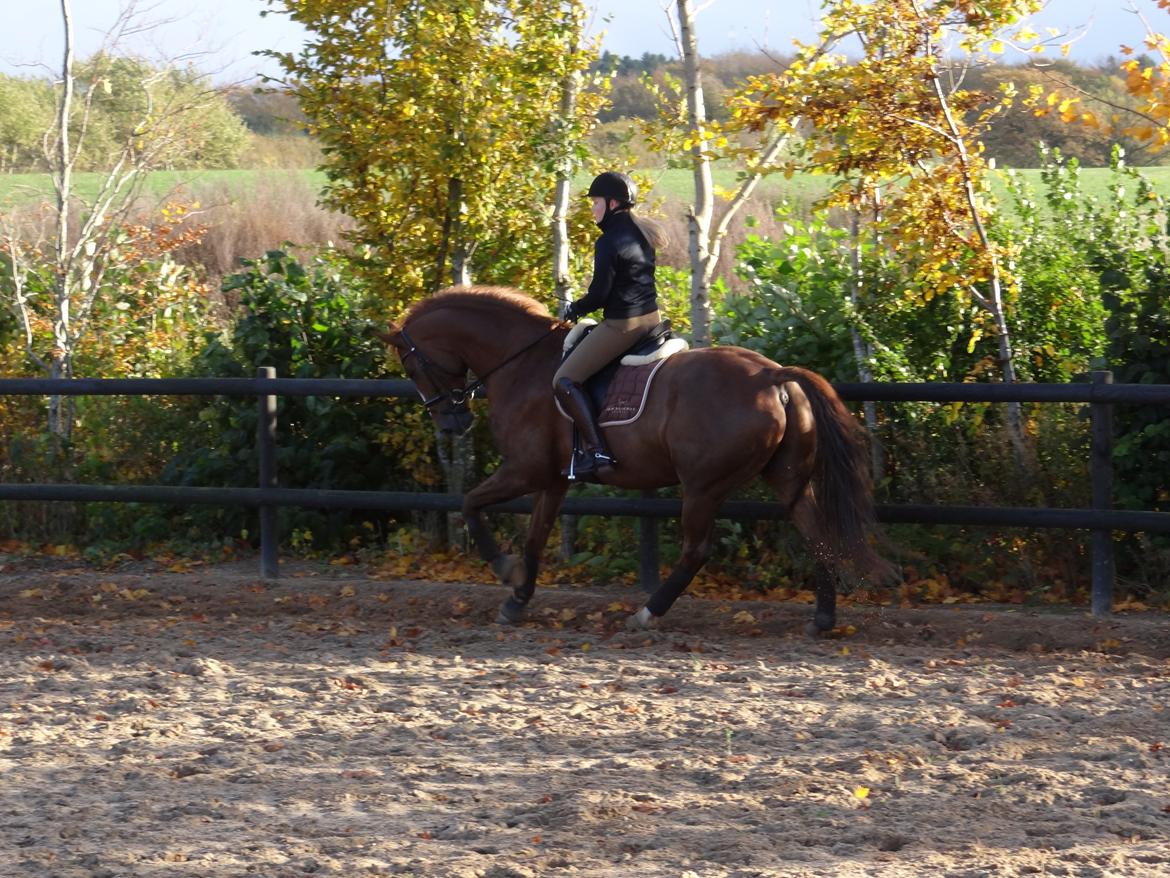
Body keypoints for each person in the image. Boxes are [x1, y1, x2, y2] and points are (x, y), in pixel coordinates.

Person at [554, 171, 666, 479]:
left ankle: (597, 450)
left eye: (596, 202)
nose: (592, 208)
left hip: (623, 325)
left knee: (564, 380)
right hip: (651, 319)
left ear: (613, 203)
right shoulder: (642, 233)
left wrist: (573, 309)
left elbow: (600, 294)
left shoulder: (608, 242)